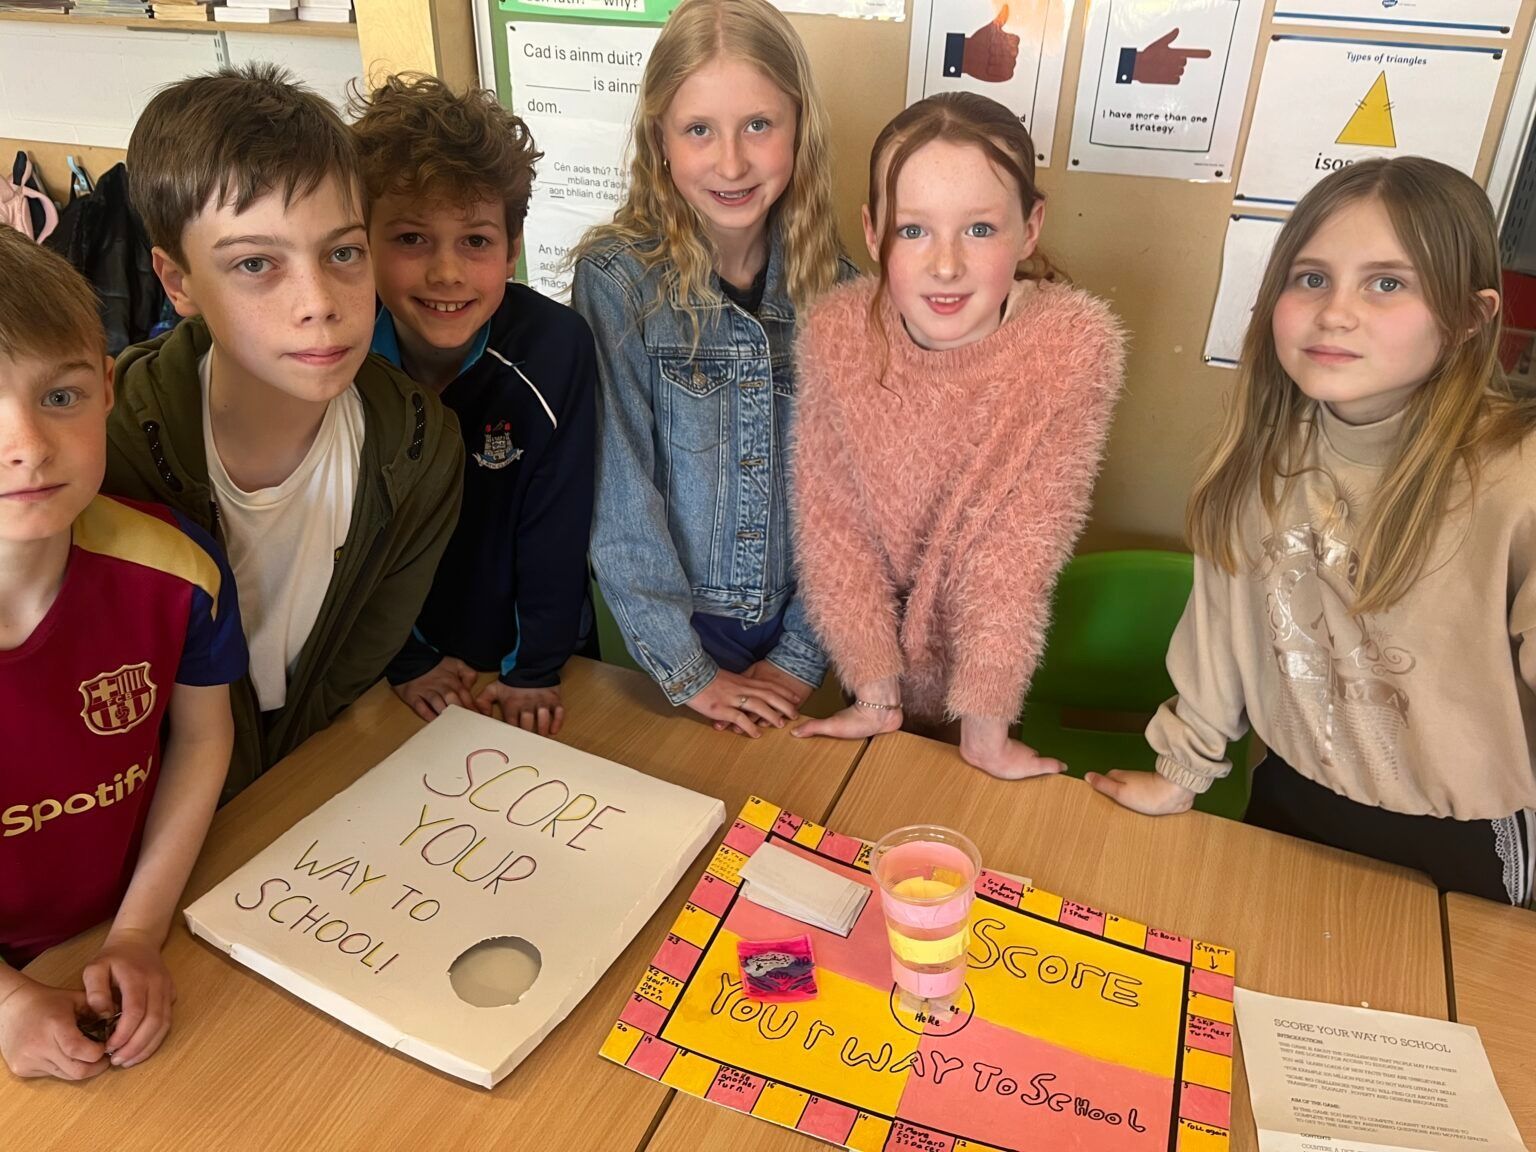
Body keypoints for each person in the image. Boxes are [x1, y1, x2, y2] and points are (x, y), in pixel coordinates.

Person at [1089, 157, 1536, 908]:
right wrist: (1181, 773)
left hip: (1470, 841)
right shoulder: (1258, 459)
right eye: (1312, 278)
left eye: (1387, 283)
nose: (1335, 312)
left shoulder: (1518, 476)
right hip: (1291, 796)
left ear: (1468, 317)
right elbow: (1221, 634)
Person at [104, 64, 464, 798]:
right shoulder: (105, 451)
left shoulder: (421, 447)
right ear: (177, 283)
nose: (318, 302)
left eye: (342, 253)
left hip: (298, 791)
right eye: (256, 263)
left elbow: (352, 663)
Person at [789, 93, 1124, 779]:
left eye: (979, 229)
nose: (945, 265)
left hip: (986, 688)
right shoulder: (835, 333)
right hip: (870, 676)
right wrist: (874, 692)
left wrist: (985, 727)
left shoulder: (1069, 349)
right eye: (913, 230)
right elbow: (833, 529)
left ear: (1029, 228)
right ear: (873, 231)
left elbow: (1016, 557)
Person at [0, 228, 246, 1078]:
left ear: (106, 388)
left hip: (119, 928)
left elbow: (203, 738)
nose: (29, 443)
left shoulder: (178, 568)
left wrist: (139, 930)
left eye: (59, 396)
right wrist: (6, 1001)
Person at [570, 0, 850, 739]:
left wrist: (800, 655)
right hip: (654, 641)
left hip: (799, 640)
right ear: (659, 140)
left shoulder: (841, 292)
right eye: (699, 130)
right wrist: (687, 670)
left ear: (800, 129)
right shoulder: (619, 283)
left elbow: (855, 507)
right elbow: (618, 494)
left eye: (759, 125)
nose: (731, 163)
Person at [353, 73, 596, 735]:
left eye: (476, 241)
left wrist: (534, 669)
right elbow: (345, 535)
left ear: (512, 249)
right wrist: (404, 658)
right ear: (364, 241)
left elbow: (558, 523)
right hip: (396, 666)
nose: (446, 273)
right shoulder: (342, 353)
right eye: (411, 239)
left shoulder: (555, 348)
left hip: (532, 661)